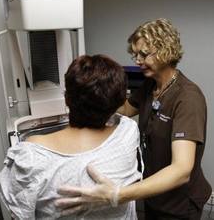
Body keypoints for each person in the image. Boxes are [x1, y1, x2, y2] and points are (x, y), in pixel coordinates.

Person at [55, 19, 212, 220]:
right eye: (135, 54)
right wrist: (87, 96)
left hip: (178, 204)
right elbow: (126, 110)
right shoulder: (151, 86)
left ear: (166, 51)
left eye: (144, 55)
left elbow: (181, 170)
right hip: (153, 194)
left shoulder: (188, 98)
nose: (137, 61)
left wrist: (118, 194)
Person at [0, 54, 143, 219]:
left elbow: (20, 214)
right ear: (118, 103)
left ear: (66, 99)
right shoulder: (128, 132)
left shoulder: (30, 158)